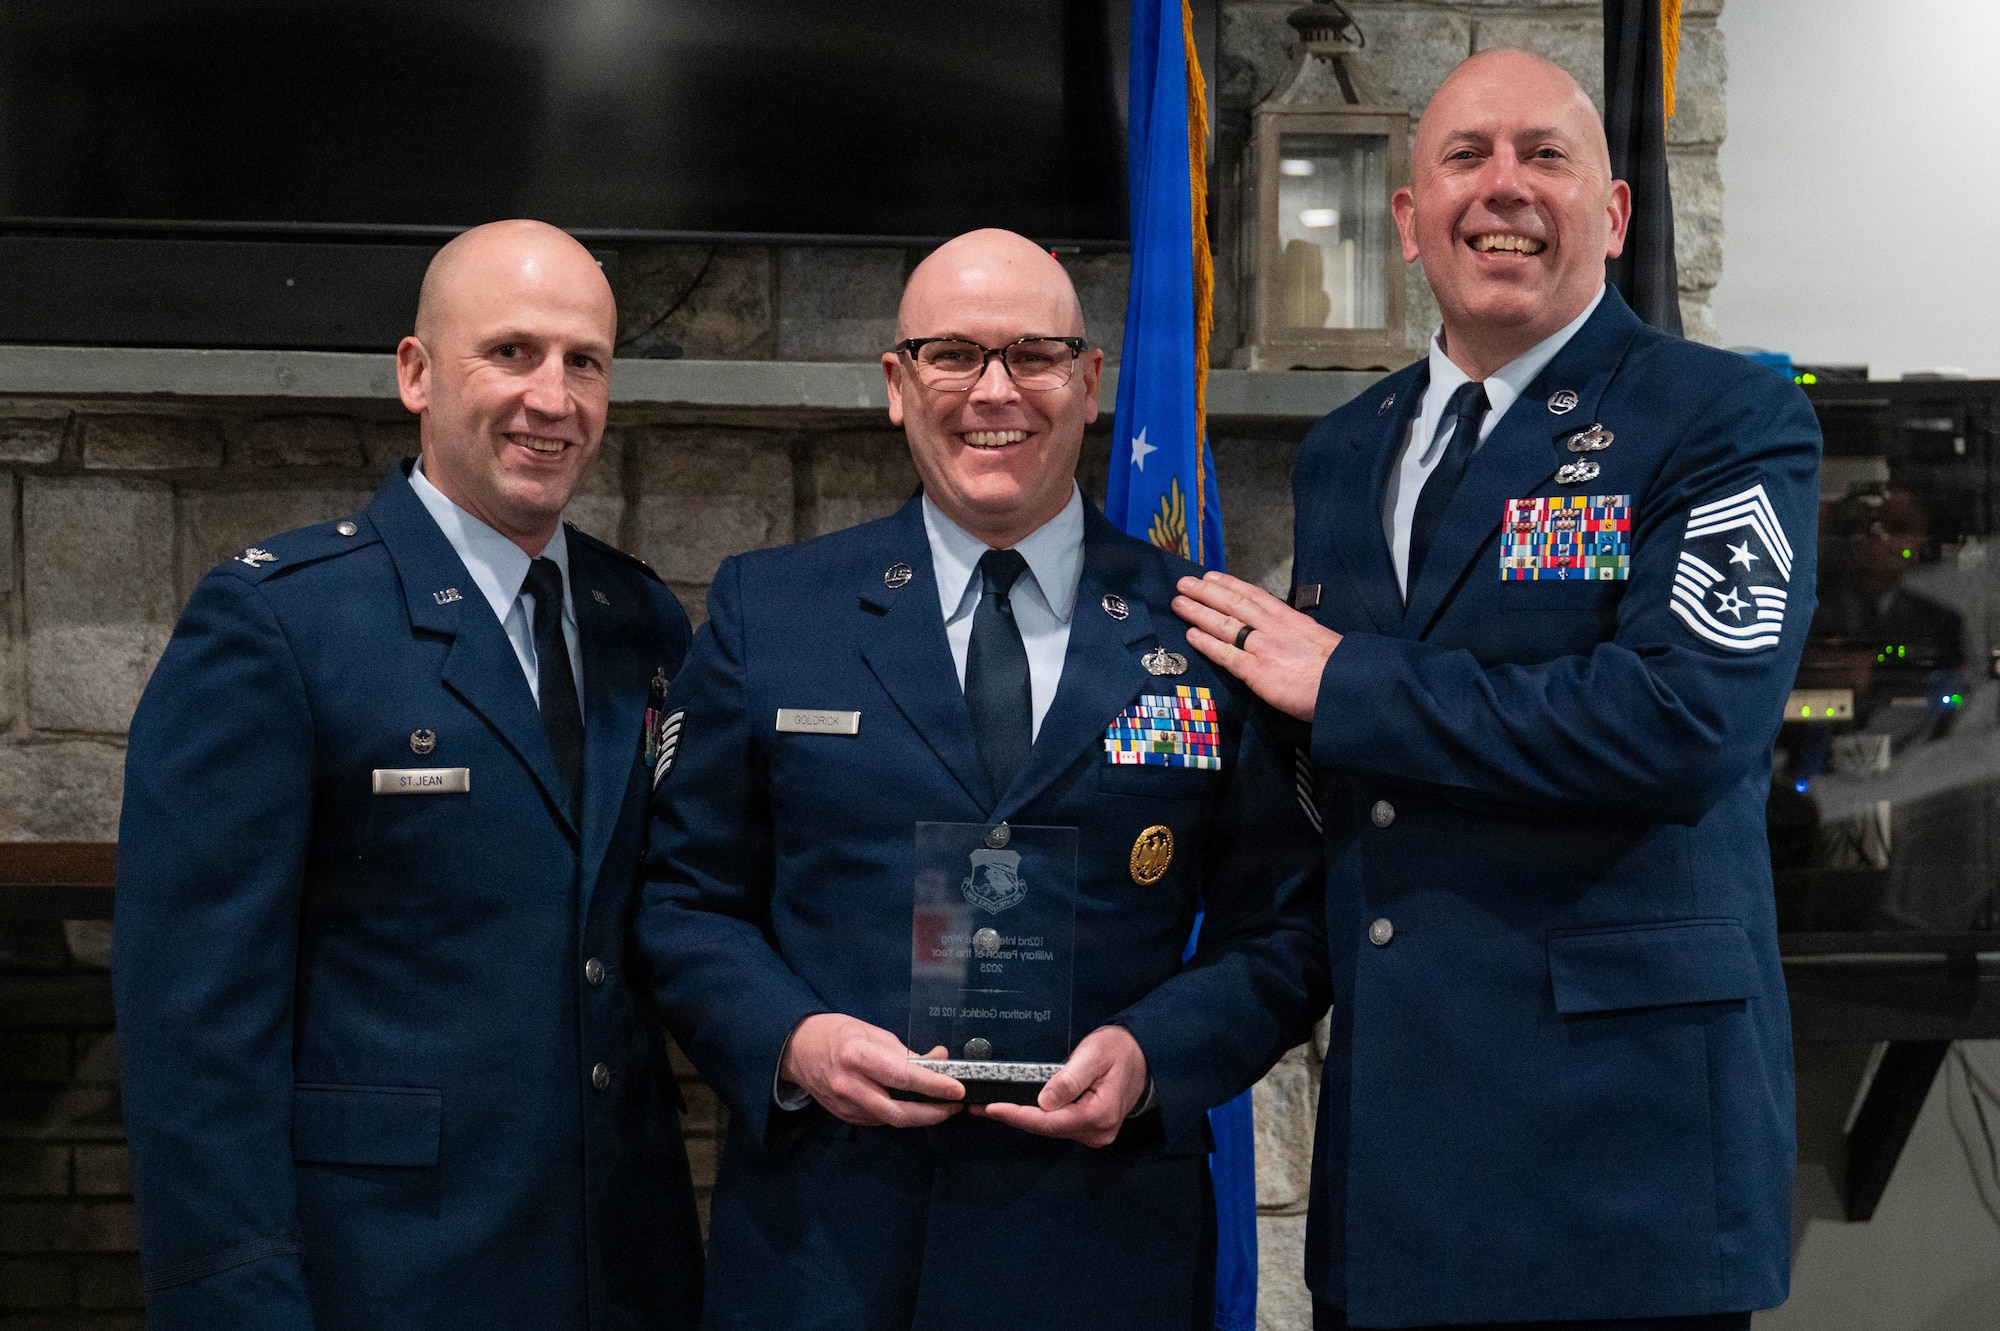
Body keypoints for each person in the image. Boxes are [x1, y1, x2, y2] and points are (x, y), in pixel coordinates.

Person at [1174, 50, 1820, 1331]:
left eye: (1544, 155)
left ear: (1616, 212)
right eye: (1464, 158)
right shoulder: (1346, 448)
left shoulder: (1720, 415)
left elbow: (1685, 722)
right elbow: (1340, 785)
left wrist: (1349, 681)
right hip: (1399, 1166)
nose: (1502, 189)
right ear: (1407, 221)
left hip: (1617, 1166)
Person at [636, 228, 1326, 1331]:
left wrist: (1154, 1056)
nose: (992, 390)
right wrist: (793, 1042)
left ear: (1090, 383)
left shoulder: (1205, 632)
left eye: (1034, 355)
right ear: (897, 386)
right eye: (951, 354)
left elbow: (1286, 932)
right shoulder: (773, 615)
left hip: (1101, 1250)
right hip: (825, 1247)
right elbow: (680, 901)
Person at [113, 220, 703, 1330]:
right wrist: (238, 1302)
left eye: (584, 361)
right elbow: (194, 1031)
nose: (553, 396)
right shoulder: (284, 621)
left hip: (622, 1266)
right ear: (416, 374)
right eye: (511, 352)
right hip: (384, 1276)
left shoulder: (640, 619)